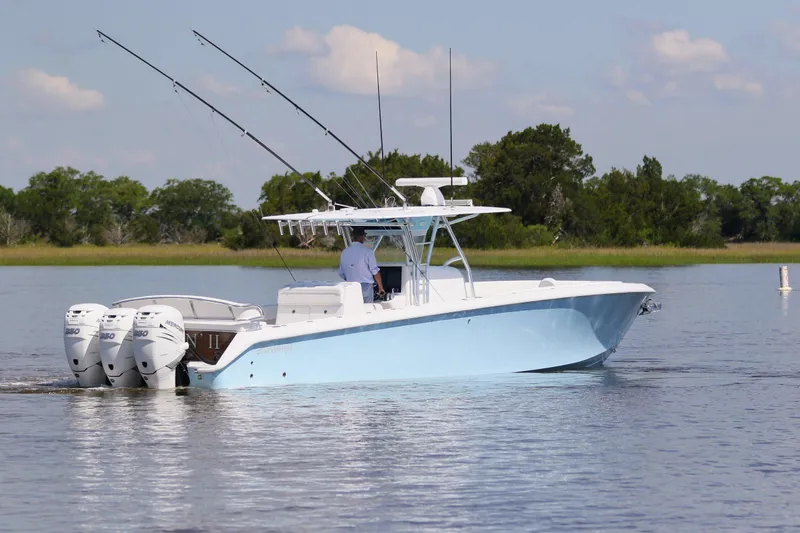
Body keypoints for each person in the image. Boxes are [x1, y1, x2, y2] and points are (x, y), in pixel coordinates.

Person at [339, 226, 385, 303]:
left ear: (353, 237)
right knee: (367, 310)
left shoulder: (344, 252)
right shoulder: (368, 252)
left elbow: (341, 273)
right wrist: (381, 288)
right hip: (366, 288)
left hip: (350, 287)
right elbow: (375, 272)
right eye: (364, 236)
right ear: (361, 237)